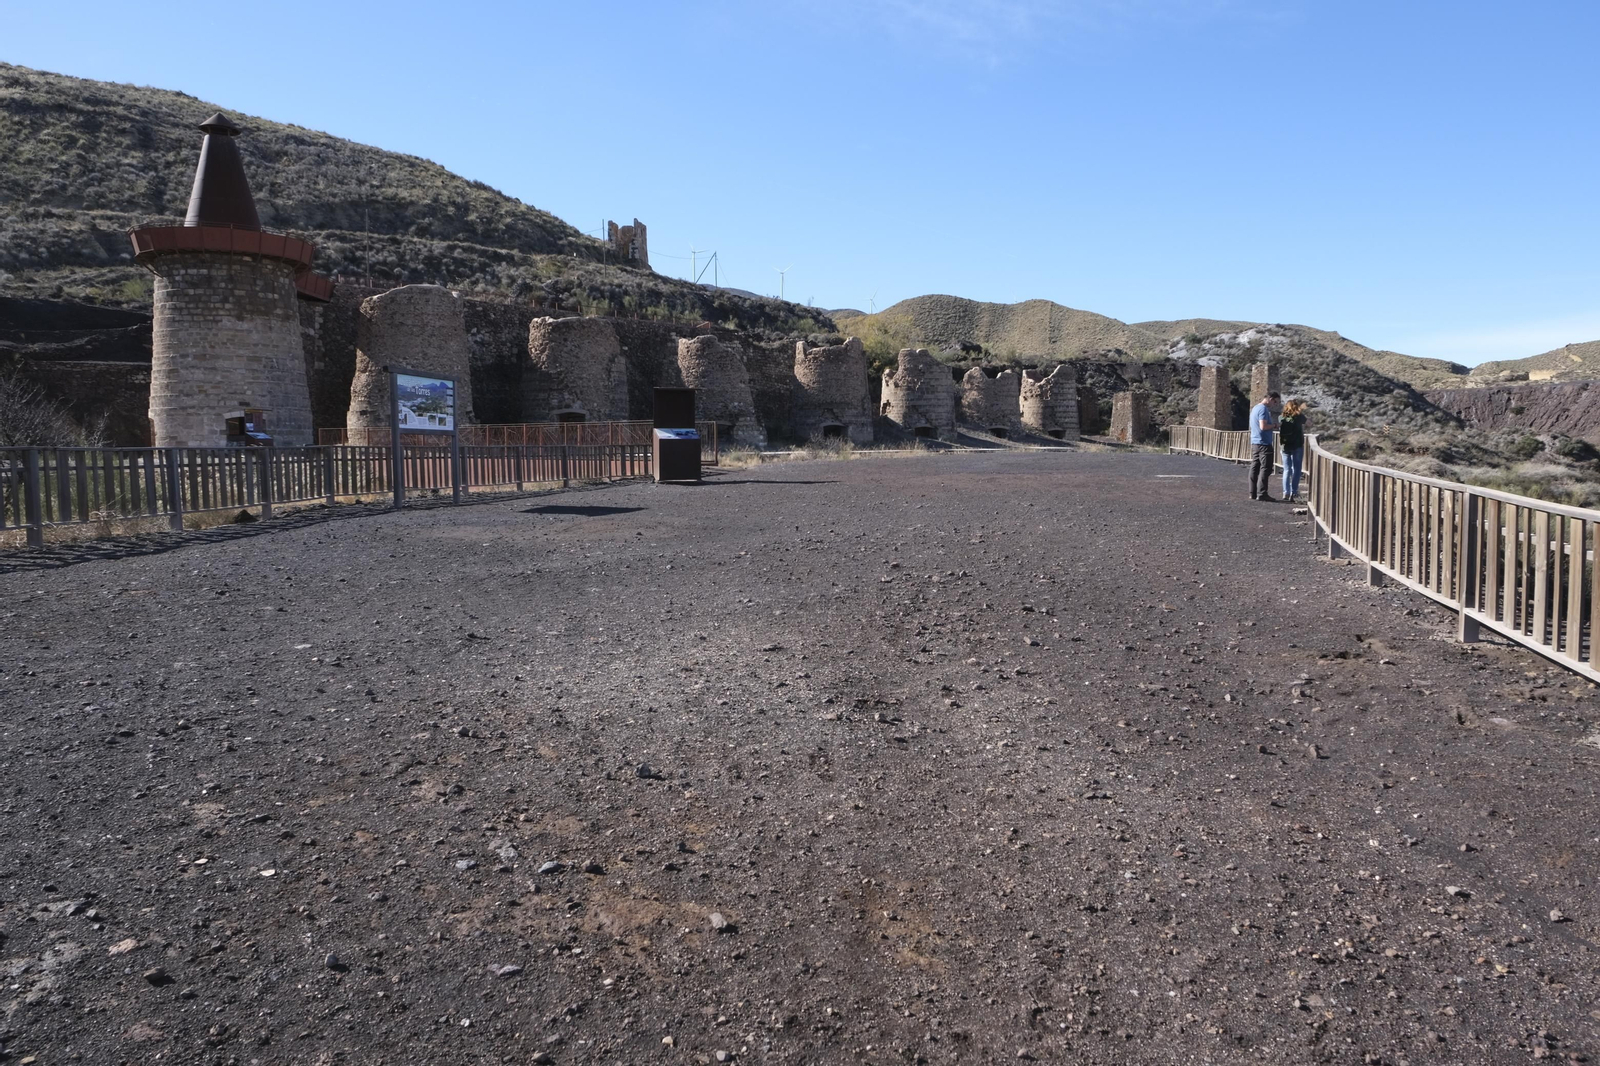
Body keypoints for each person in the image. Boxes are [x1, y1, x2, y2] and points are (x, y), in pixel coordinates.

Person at [1248, 391, 1280, 501]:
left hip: (1255, 442)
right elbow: (1263, 426)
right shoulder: (1263, 409)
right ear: (1270, 399)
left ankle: (1252, 492)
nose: (1275, 404)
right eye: (1275, 402)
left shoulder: (1255, 408)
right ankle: (1262, 493)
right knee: (1265, 468)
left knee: (1255, 467)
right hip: (1264, 443)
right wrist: (1275, 425)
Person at [1279, 399, 1307, 501]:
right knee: (1297, 469)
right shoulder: (1299, 417)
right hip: (1297, 446)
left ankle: (1285, 492)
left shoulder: (1281, 417)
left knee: (1287, 469)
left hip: (1285, 446)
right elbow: (1309, 423)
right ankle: (1294, 492)